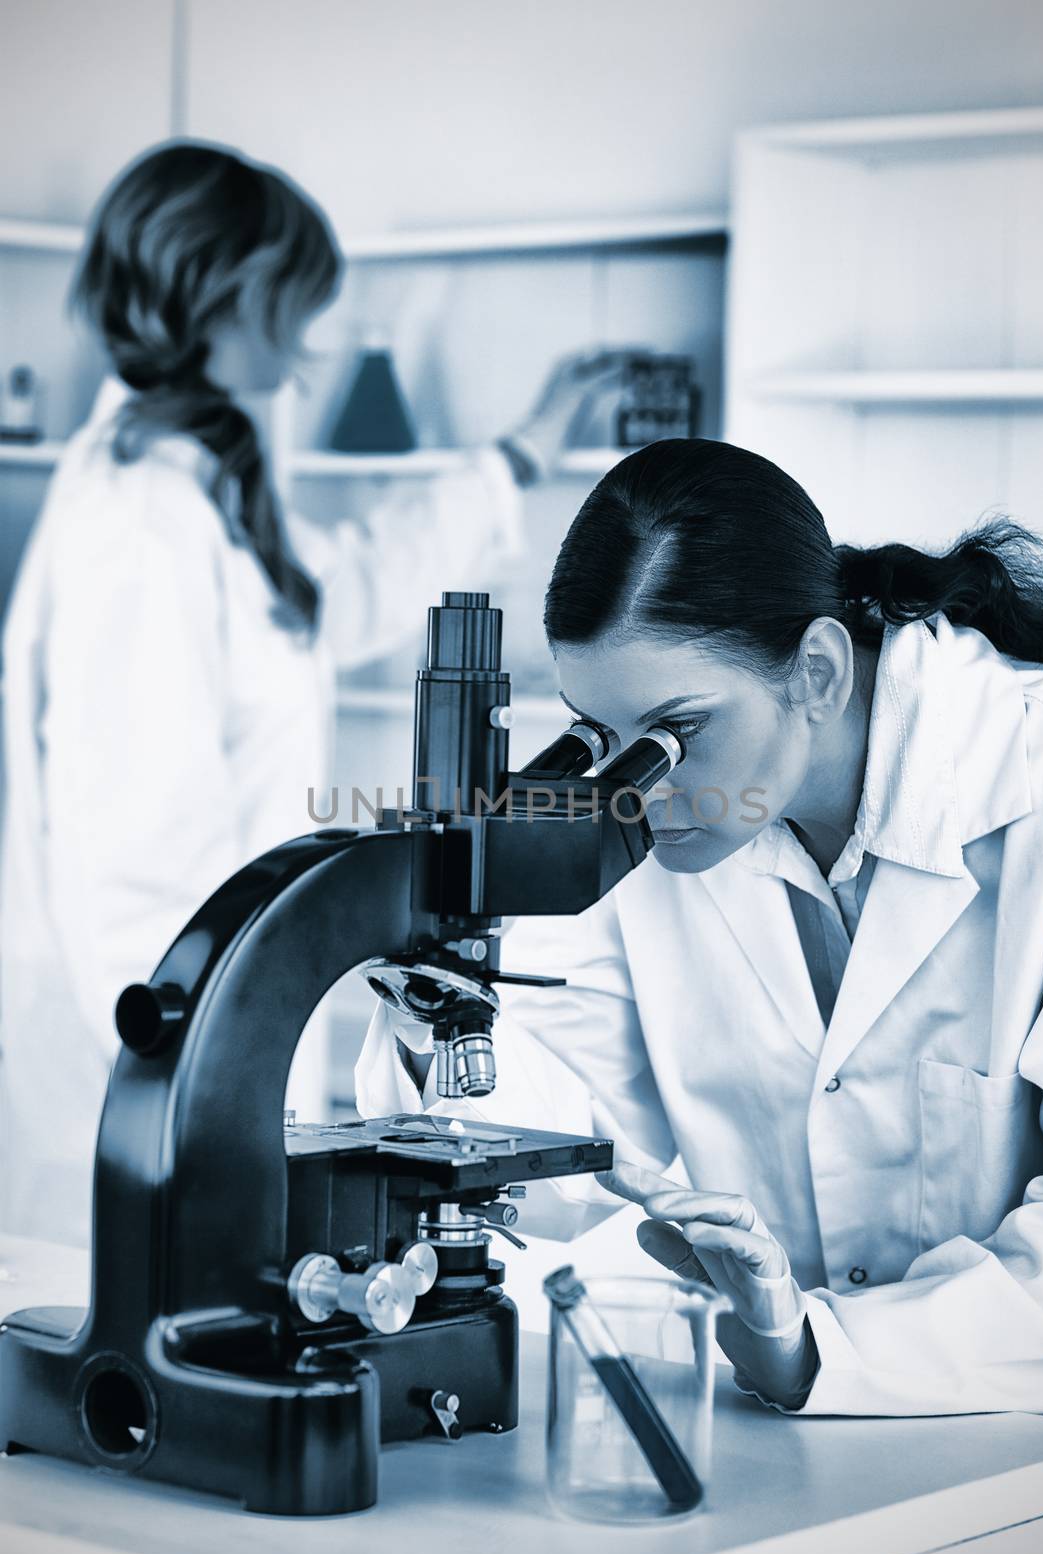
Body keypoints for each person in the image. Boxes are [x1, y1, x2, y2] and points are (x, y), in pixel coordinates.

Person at [357, 437, 1043, 1418]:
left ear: (815, 673)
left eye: (672, 734)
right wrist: (433, 993)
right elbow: (551, 1152)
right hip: (798, 1443)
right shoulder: (670, 824)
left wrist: (814, 1348)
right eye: (600, 739)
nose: (634, 790)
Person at [0, 140, 622, 1248]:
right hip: (152, 1094)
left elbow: (330, 599)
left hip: (203, 1067)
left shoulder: (198, 488)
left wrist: (519, 456)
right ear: (223, 296)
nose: (303, 345)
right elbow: (133, 867)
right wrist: (219, 1108)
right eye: (292, 305)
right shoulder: (140, 524)